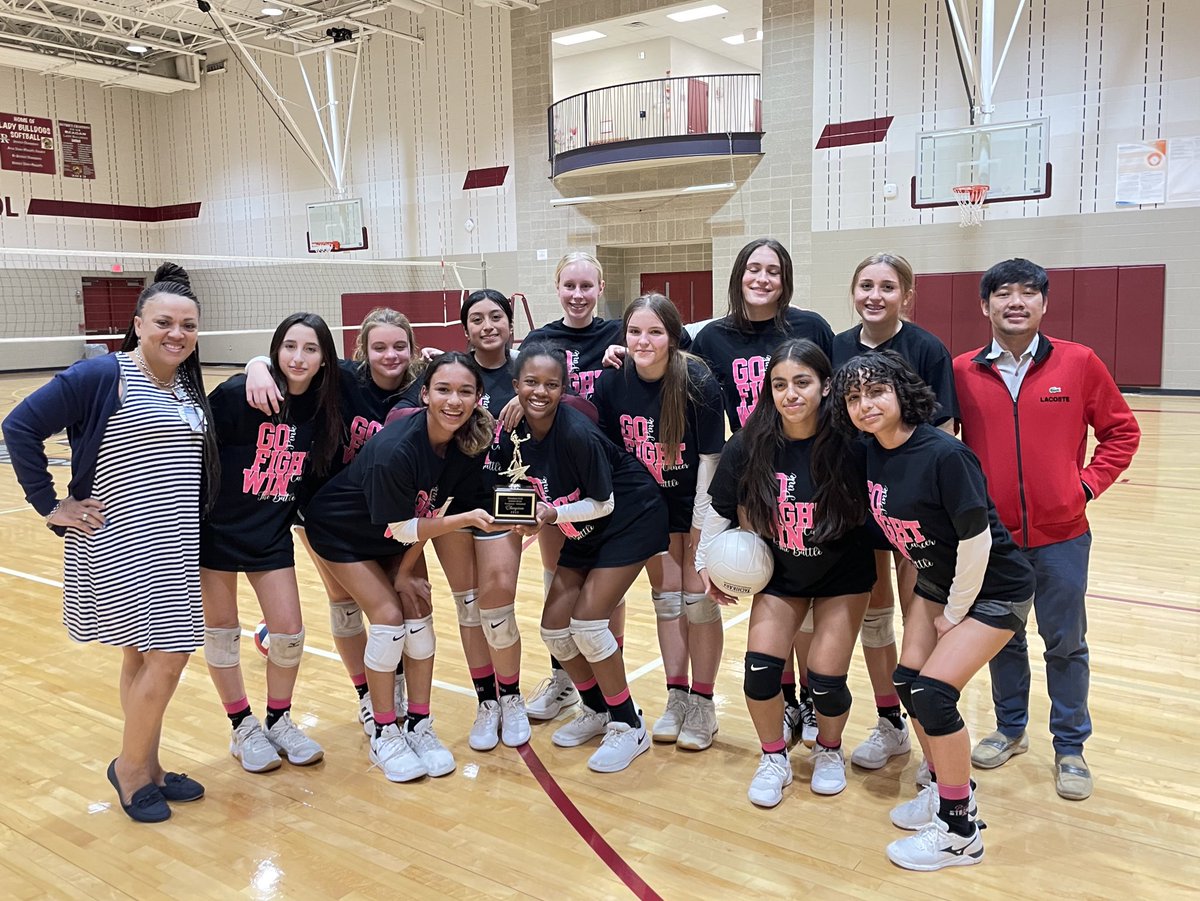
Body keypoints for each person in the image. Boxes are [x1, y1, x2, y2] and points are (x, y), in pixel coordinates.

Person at [3, 263, 219, 823]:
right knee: (169, 658)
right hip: (120, 543)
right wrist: (50, 505)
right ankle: (130, 770)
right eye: (164, 322)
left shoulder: (187, 387)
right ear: (138, 324)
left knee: (143, 657)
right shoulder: (103, 375)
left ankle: (148, 766)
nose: (176, 334)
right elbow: (19, 427)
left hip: (176, 545)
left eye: (188, 325)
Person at [833, 350, 1036, 871]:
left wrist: (955, 613)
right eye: (854, 397)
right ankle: (945, 786)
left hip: (994, 588)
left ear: (902, 393)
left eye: (876, 391)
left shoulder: (945, 454)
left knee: (935, 694)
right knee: (908, 682)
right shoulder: (869, 451)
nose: (865, 404)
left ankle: (960, 831)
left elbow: (977, 542)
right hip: (939, 581)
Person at [954, 258, 1140, 800]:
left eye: (1028, 292)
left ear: (1044, 303)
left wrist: (1084, 487)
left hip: (1063, 536)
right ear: (985, 305)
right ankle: (1011, 730)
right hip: (994, 540)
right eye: (1003, 293)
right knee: (1002, 640)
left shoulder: (1079, 362)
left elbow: (1121, 432)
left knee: (1065, 644)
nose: (1016, 302)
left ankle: (1070, 746)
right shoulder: (963, 370)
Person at [302, 353, 499, 782]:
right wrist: (465, 520)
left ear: (478, 398)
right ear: (424, 394)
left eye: (465, 391)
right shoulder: (397, 450)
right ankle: (385, 731)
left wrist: (408, 572)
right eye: (443, 390)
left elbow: (431, 511)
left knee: (419, 614)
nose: (454, 401)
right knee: (389, 620)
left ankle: (419, 724)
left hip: (396, 535)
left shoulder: (466, 444)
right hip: (341, 533)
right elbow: (407, 525)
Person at [698, 339, 874, 807]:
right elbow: (719, 508)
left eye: (802, 382)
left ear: (826, 386)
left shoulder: (853, 443)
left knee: (826, 682)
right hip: (781, 575)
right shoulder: (749, 443)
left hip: (842, 577)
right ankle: (774, 757)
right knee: (759, 674)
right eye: (779, 385)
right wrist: (706, 565)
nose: (790, 394)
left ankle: (830, 750)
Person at [245, 308, 424, 732]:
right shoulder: (341, 378)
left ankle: (396, 687)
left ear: (412, 350)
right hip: (325, 512)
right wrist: (256, 365)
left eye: (399, 346)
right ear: (362, 350)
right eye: (379, 347)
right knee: (345, 605)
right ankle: (368, 696)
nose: (390, 355)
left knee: (404, 603)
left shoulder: (421, 387)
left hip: (391, 515)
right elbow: (294, 361)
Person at [689, 237, 835, 745]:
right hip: (754, 473)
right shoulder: (712, 338)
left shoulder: (810, 327)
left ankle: (812, 699)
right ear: (739, 275)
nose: (762, 278)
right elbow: (674, 369)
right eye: (754, 268)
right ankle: (788, 699)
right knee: (775, 586)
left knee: (809, 600)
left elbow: (835, 393)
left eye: (773, 270)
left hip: (812, 472)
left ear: (785, 279)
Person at [499, 344, 668, 772]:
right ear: (515, 385)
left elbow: (604, 502)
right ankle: (596, 709)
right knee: (555, 631)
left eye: (551, 384)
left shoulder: (576, 433)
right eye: (531, 382)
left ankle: (629, 725)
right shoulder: (513, 431)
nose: (540, 392)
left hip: (630, 516)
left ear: (564, 388)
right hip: (584, 527)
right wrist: (521, 517)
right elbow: (513, 486)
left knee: (588, 625)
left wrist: (550, 515)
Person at [828, 253, 959, 776]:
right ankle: (890, 724)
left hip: (911, 509)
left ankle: (933, 740)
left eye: (887, 286)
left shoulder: (926, 348)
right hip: (858, 502)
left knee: (919, 623)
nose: (874, 296)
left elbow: (944, 432)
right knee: (876, 618)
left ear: (906, 294)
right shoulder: (837, 346)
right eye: (866, 285)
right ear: (853, 291)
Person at [200, 312, 343, 774]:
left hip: (271, 533)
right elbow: (193, 450)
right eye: (289, 347)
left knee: (289, 634)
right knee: (222, 635)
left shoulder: (324, 405)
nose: (298, 358)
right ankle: (241, 726)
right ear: (276, 349)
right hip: (216, 531)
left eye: (310, 349)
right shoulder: (238, 395)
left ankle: (279, 720)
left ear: (324, 359)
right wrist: (254, 366)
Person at [394, 290, 531, 750]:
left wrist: (529, 399)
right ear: (465, 327)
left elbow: (561, 401)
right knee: (469, 606)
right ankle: (486, 701)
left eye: (496, 317)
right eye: (477, 319)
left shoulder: (526, 370)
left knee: (497, 606)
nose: (487, 325)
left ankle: (511, 696)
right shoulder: (449, 370)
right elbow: (403, 411)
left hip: (503, 503)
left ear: (510, 323)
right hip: (450, 504)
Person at [591, 293, 726, 751]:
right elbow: (611, 455)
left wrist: (701, 526)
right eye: (634, 331)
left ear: (672, 336)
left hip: (696, 500)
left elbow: (710, 459)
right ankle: (676, 696)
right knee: (667, 599)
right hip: (648, 506)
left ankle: (703, 702)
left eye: (654, 332)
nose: (643, 341)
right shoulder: (613, 382)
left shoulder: (697, 380)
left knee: (698, 600)